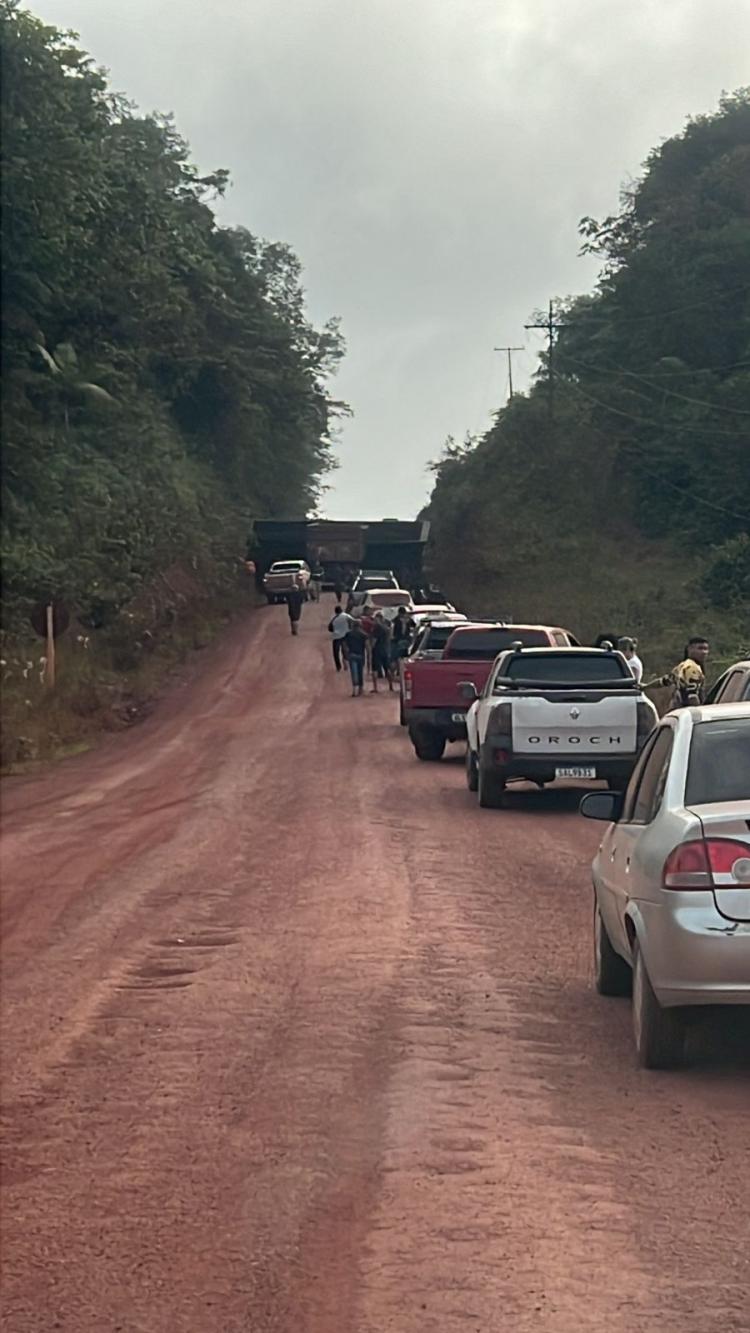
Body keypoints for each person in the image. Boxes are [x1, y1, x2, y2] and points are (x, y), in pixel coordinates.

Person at [659, 637, 710, 707]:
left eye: (706, 649)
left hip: (679, 709)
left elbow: (663, 682)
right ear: (690, 649)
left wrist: (646, 686)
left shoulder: (681, 667)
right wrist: (700, 711)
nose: (704, 652)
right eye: (700, 648)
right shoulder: (692, 668)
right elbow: (692, 697)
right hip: (688, 709)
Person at [370, 612, 393, 692]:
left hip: (377, 650)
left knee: (375, 669)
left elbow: (374, 641)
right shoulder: (387, 628)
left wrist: (371, 647)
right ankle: (391, 686)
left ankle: (375, 687)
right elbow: (389, 639)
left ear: (378, 619)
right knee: (387, 668)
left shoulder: (376, 628)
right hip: (385, 650)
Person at [345, 619, 368, 696]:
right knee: (360, 672)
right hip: (361, 655)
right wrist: (369, 656)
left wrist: (346, 655)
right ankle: (360, 689)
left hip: (352, 654)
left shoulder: (348, 634)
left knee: (354, 672)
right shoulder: (364, 635)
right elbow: (367, 646)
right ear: (360, 625)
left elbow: (345, 646)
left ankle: (355, 689)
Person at [328, 604, 352, 672]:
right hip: (345, 636)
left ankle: (338, 666)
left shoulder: (333, 618)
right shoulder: (346, 616)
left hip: (336, 637)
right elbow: (351, 624)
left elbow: (330, 628)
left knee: (336, 652)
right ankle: (345, 663)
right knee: (345, 651)